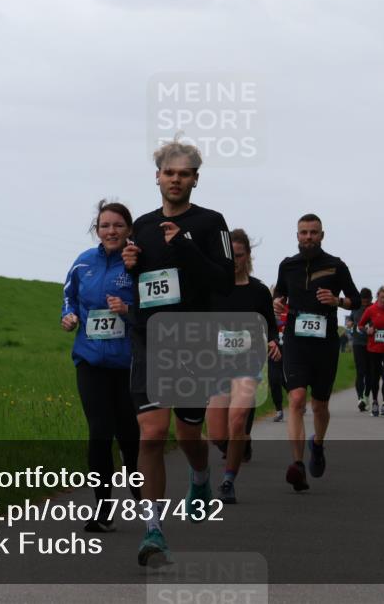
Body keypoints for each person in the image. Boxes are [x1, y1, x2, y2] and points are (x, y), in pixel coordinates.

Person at [122, 138, 234, 566]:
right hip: (150, 337)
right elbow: (146, 289)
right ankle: (154, 530)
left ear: (195, 180)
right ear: (158, 177)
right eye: (169, 172)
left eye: (184, 173)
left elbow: (223, 280)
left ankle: (202, 476)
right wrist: (132, 267)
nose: (176, 179)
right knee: (151, 433)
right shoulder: (144, 226)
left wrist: (185, 246)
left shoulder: (210, 223)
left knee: (188, 433)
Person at [61, 201, 140, 532]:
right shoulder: (83, 263)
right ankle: (103, 508)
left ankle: (138, 484)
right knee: (99, 432)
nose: (111, 231)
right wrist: (68, 316)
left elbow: (153, 305)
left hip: (128, 362)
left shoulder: (138, 263)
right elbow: (70, 296)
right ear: (97, 229)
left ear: (128, 230)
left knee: (129, 434)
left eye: (118, 225)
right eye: (105, 225)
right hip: (90, 359)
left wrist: (128, 309)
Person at [273, 214, 359, 491]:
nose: (308, 237)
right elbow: (280, 296)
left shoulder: (336, 265)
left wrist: (338, 300)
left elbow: (356, 300)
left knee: (319, 405)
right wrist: (277, 303)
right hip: (296, 340)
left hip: (325, 343)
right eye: (303, 233)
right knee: (296, 399)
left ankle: (317, 445)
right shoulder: (287, 266)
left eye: (313, 232)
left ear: (322, 235)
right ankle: (297, 465)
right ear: (296, 236)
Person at [205, 229, 280, 503]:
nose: (234, 261)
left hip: (248, 361)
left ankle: (228, 481)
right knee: (216, 434)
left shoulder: (258, 290)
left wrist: (273, 341)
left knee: (237, 420)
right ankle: (241, 442)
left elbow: (270, 325)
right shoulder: (212, 288)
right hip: (217, 364)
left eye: (239, 255)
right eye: (229, 256)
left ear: (247, 256)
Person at [358, 286, 384, 417]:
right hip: (374, 348)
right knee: (374, 377)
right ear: (377, 297)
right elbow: (360, 325)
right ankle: (375, 401)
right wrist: (367, 330)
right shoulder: (371, 310)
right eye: (382, 297)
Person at [349, 288, 373, 412]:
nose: (364, 304)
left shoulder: (374, 308)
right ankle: (360, 399)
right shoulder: (355, 307)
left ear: (371, 299)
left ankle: (366, 396)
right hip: (358, 343)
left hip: (371, 345)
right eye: (362, 301)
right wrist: (349, 322)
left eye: (366, 301)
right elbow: (350, 319)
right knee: (360, 371)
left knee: (369, 373)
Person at [267, 286, 287, 422]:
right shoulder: (266, 311)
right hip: (273, 349)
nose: (279, 300)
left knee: (287, 380)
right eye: (276, 297)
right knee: (274, 379)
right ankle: (279, 409)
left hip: (290, 350)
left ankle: (298, 401)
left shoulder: (291, 310)